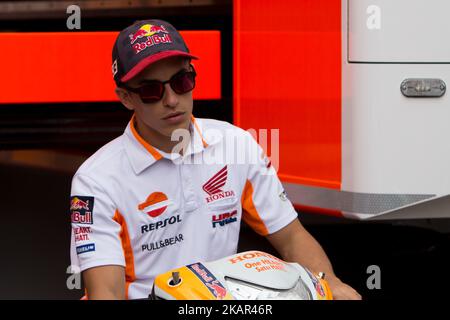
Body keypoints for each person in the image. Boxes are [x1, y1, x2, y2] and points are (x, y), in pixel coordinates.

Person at [69, 19, 361, 300]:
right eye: (151, 90)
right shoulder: (96, 179)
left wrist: (331, 284)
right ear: (125, 97)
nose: (171, 99)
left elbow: (291, 236)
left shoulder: (236, 144)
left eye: (181, 81)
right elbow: (106, 293)